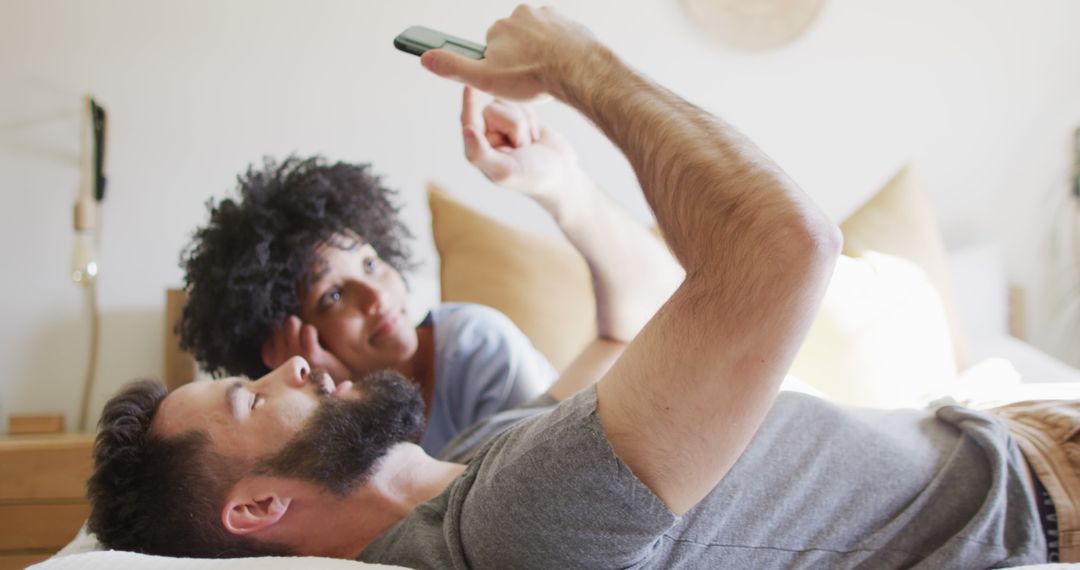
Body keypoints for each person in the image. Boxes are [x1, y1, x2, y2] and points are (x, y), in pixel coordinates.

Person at [86, 5, 1072, 567]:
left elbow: (629, 325)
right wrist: (572, 63)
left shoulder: (476, 458)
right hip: (1035, 496)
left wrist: (557, 181)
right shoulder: (512, 523)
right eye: (254, 394)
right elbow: (785, 247)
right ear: (255, 510)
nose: (307, 354)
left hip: (1000, 439)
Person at [176, 80, 679, 457]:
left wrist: (560, 184)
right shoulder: (300, 432)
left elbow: (500, 493)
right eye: (333, 296)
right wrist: (325, 415)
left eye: (371, 263)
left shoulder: (473, 346)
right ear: (291, 346)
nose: (375, 296)